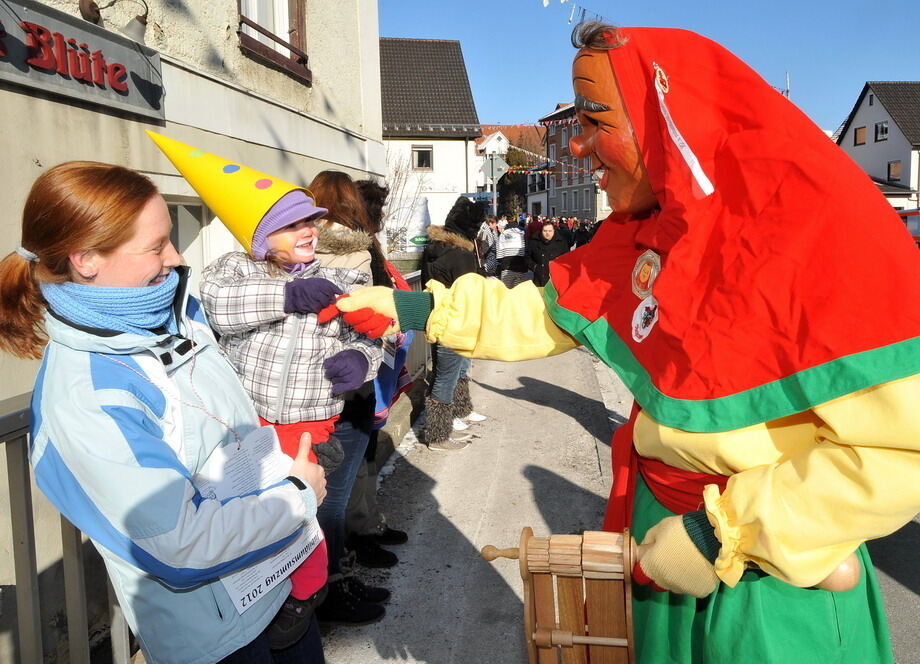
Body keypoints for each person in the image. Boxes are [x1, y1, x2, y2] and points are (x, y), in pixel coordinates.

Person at [332, 21, 920, 664]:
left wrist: (722, 532)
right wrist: (415, 306)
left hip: (765, 577)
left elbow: (896, 453)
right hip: (660, 542)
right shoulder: (643, 234)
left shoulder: (826, 246)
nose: (576, 147)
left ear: (669, 118)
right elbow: (543, 313)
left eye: (594, 120)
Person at [0, 161, 328, 663]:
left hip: (271, 581)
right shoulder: (88, 397)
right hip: (216, 639)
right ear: (86, 258)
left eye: (169, 238)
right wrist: (298, 497)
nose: (176, 258)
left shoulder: (172, 309)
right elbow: (178, 547)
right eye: (156, 247)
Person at [147, 133, 385, 646]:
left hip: (309, 427)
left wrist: (359, 361)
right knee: (255, 526)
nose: (310, 230)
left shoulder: (335, 280)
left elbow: (375, 337)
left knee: (307, 525)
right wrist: (288, 293)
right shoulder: (235, 269)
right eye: (294, 224)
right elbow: (218, 307)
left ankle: (303, 599)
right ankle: (259, 603)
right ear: (260, 236)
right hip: (244, 430)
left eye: (312, 221)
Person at [301, 170, 393, 625]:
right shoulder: (355, 252)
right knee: (332, 499)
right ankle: (330, 588)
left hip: (312, 390)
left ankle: (332, 578)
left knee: (329, 495)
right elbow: (368, 321)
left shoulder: (296, 251)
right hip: (346, 387)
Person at [344, 179, 413, 570]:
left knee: (367, 448)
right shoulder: (353, 252)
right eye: (378, 211)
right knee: (354, 456)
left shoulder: (367, 247)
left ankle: (368, 523)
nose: (383, 219)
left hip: (374, 366)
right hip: (357, 371)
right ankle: (359, 535)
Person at [419, 196, 488, 451]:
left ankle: (459, 413)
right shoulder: (461, 256)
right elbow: (470, 293)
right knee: (447, 376)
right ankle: (437, 434)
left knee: (452, 371)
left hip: (437, 317)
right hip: (456, 322)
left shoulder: (435, 248)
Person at [526, 221, 569, 287]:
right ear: (541, 231)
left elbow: (567, 259)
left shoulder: (561, 242)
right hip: (539, 278)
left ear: (554, 231)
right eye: (545, 231)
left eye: (550, 231)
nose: (547, 233)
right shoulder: (534, 241)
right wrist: (534, 267)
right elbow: (527, 257)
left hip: (555, 280)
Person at [495, 218, 530, 288]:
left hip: (506, 267)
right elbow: (526, 250)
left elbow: (499, 255)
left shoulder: (502, 235)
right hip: (521, 266)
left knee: (507, 291)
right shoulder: (522, 234)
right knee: (518, 291)